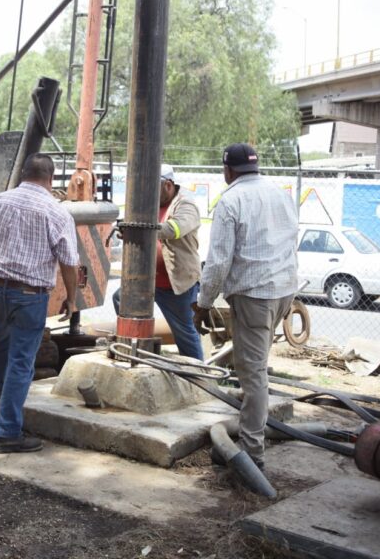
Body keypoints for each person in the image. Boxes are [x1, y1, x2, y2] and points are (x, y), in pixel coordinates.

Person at [0, 153, 79, 454]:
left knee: (0, 341)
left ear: (24, 173)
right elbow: (69, 262)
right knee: (21, 363)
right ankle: (8, 432)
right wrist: (71, 297)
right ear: (51, 179)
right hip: (30, 296)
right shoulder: (57, 212)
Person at [195, 143, 298, 470]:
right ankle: (249, 435)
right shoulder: (280, 194)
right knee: (254, 368)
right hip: (282, 292)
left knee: (252, 376)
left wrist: (203, 303)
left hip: (255, 295)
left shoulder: (231, 201)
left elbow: (218, 262)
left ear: (228, 170)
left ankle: (252, 456)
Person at [113, 164, 204, 360]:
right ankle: (138, 350)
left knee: (184, 333)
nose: (149, 192)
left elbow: (173, 229)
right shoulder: (149, 205)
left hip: (176, 284)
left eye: (153, 187)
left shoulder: (186, 206)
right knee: (120, 298)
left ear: (168, 186)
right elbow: (140, 229)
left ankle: (198, 374)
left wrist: (138, 229)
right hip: (147, 280)